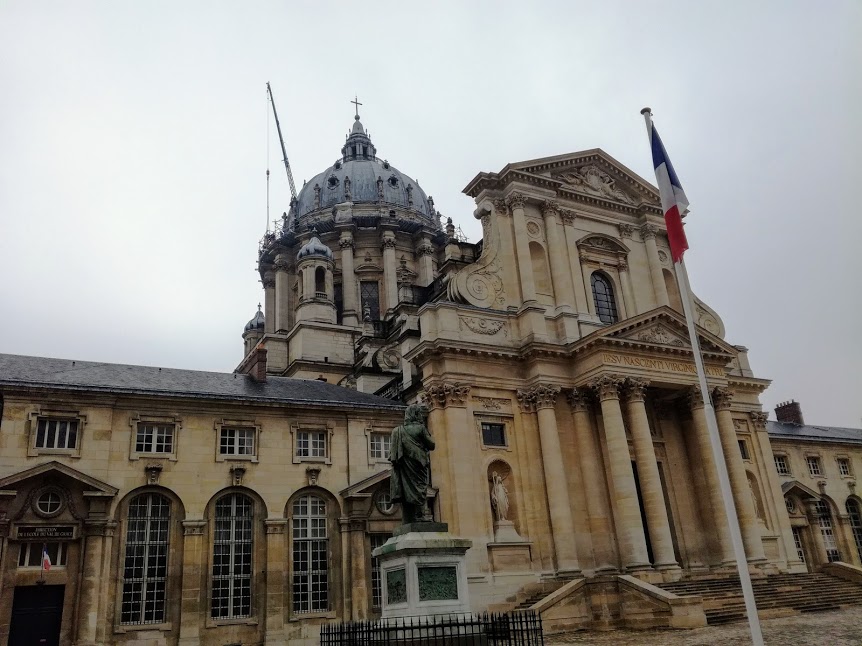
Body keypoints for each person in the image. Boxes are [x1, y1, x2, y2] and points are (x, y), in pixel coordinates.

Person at [389, 404, 434, 524]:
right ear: (416, 414)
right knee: (419, 488)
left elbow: (393, 455)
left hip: (404, 465)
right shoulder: (420, 428)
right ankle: (419, 516)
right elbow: (432, 445)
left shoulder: (397, 431)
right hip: (418, 463)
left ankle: (407, 519)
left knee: (405, 489)